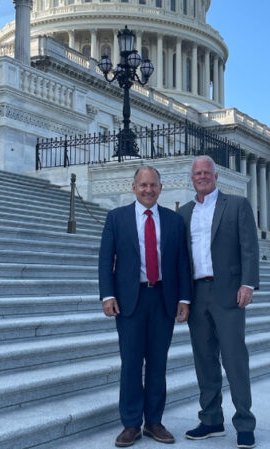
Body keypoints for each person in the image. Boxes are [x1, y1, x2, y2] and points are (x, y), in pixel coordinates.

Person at [99, 166, 192, 447]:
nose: (148, 190)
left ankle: (153, 422)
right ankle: (130, 424)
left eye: (153, 185)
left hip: (163, 299)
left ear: (161, 188)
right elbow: (105, 260)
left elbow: (182, 263)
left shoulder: (174, 221)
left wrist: (184, 299)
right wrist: (107, 295)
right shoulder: (117, 218)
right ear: (133, 187)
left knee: (157, 364)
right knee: (130, 364)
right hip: (130, 301)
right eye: (143, 185)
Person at [179, 155, 259, 449]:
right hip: (197, 294)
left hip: (228, 292)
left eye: (206, 172)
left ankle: (245, 423)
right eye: (197, 173)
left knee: (235, 359)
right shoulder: (184, 212)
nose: (202, 176)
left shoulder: (237, 205)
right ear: (192, 178)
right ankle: (211, 419)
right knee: (204, 360)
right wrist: (181, 297)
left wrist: (248, 284)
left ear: (216, 176)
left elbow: (249, 246)